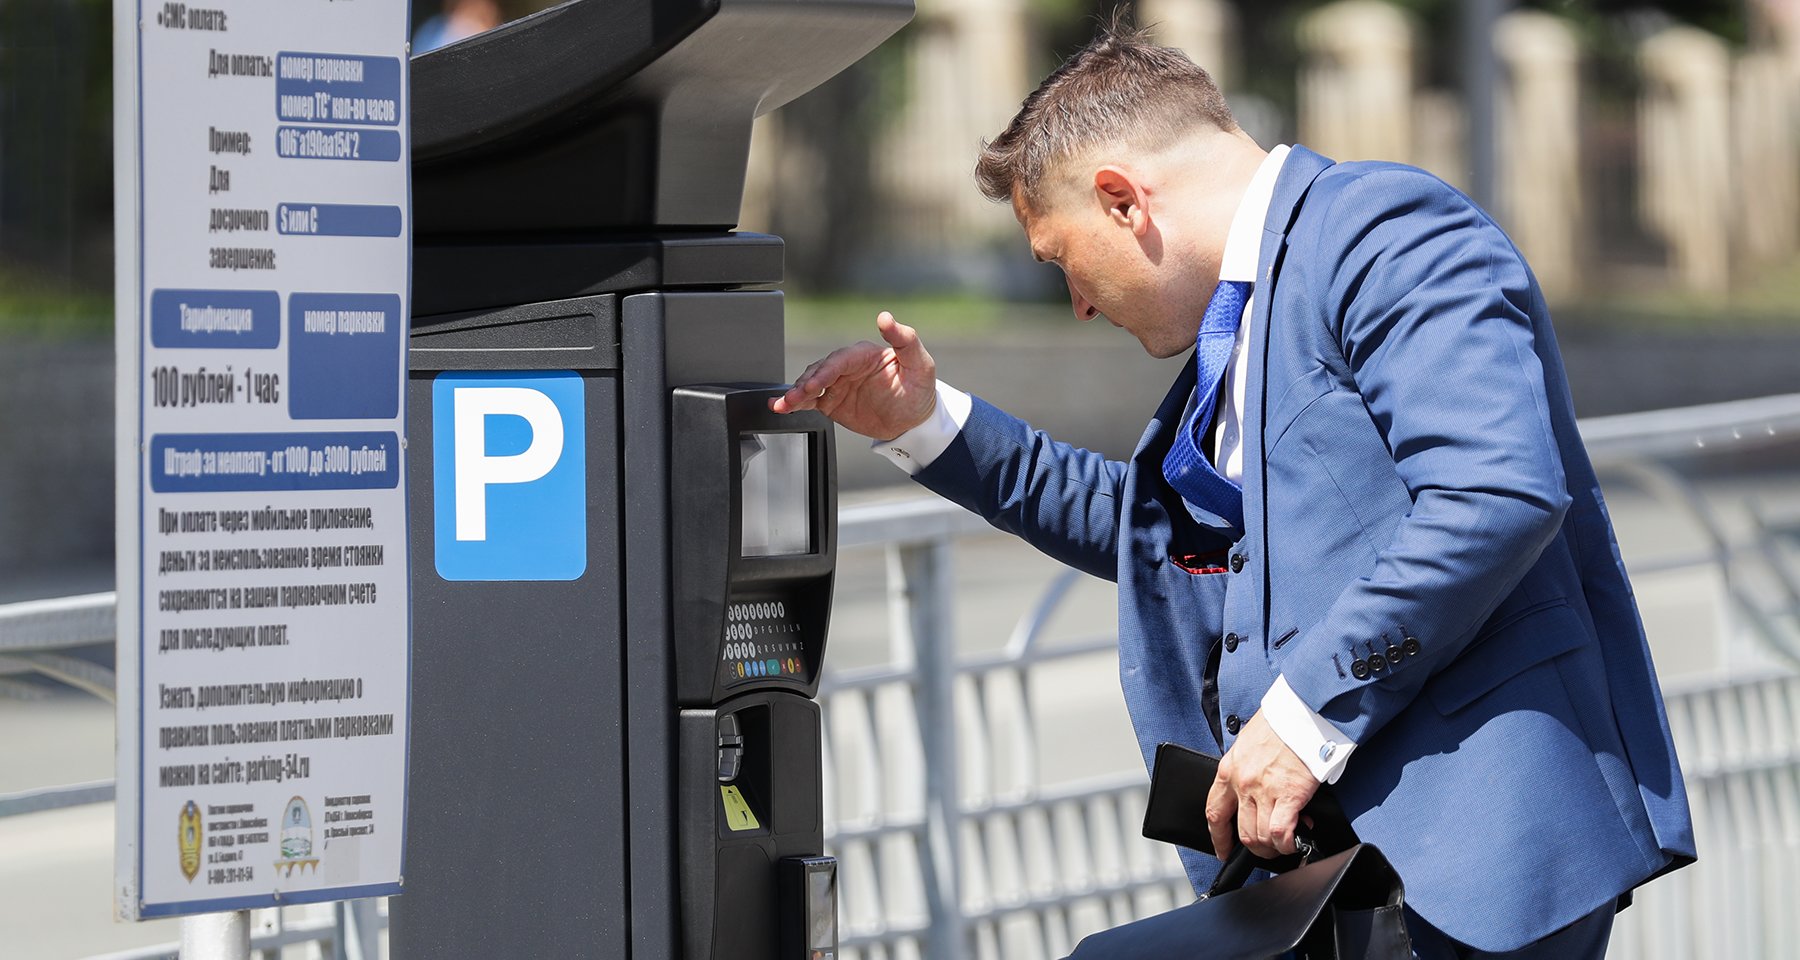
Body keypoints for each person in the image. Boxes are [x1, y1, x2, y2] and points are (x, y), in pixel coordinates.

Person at [772, 21, 1694, 960]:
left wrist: (1303, 717)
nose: (1079, 304)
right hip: (1335, 877)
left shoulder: (1383, 230)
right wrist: (923, 425)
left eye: (1063, 262)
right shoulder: (1247, 315)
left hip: (1469, 860)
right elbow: (1154, 529)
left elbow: (1493, 492)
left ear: (1123, 199)